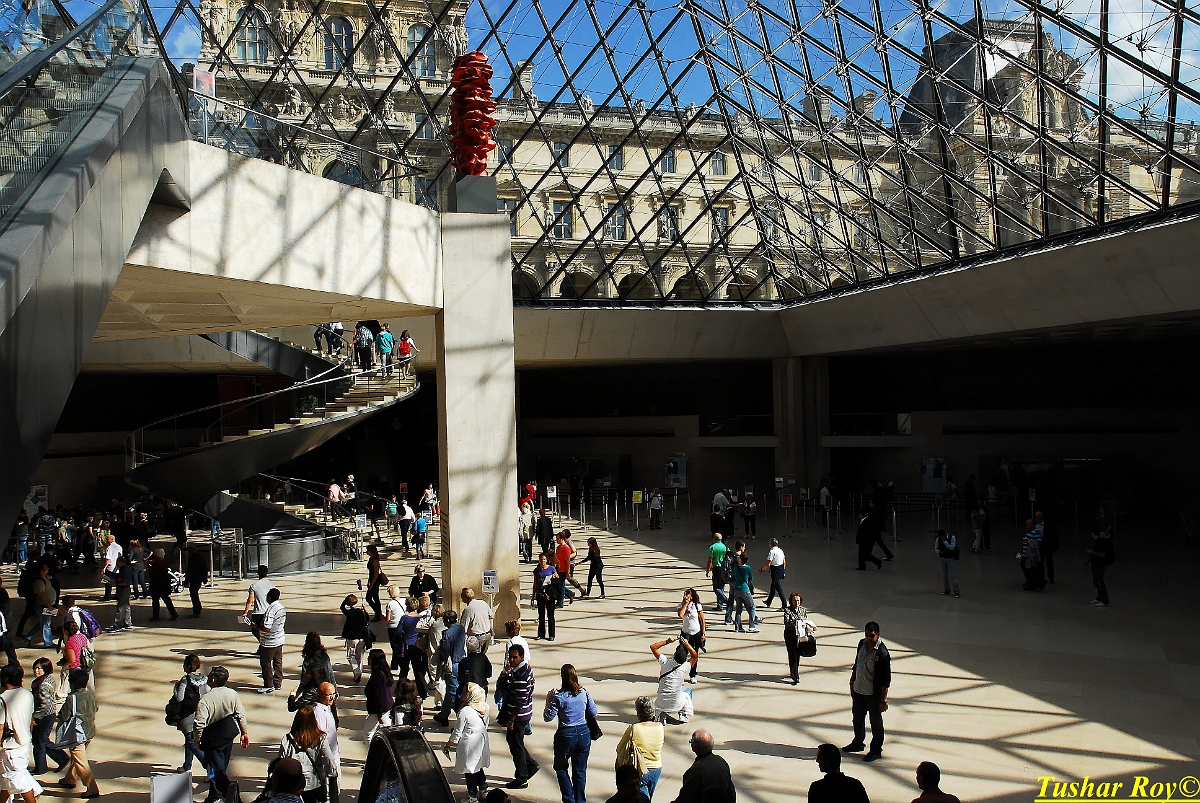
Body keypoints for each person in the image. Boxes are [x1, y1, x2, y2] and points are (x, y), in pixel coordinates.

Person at [193, 665, 250, 803]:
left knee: (216, 771)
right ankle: (214, 796)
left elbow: (199, 724)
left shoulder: (205, 700)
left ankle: (231, 794)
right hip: (228, 735)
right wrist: (244, 732)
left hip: (213, 739)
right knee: (221, 767)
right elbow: (240, 714)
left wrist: (197, 740)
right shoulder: (232, 693)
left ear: (213, 680)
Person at [544, 664, 596, 803]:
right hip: (584, 733)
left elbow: (548, 717)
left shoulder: (559, 697)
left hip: (566, 734)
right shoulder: (584, 692)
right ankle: (580, 800)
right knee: (580, 771)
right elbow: (594, 711)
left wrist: (548, 701)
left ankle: (569, 799)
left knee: (561, 767)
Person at [843, 621, 891, 762]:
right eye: (866, 635)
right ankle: (858, 742)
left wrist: (883, 700)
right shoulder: (861, 644)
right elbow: (857, 663)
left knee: (875, 723)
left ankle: (876, 750)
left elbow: (885, 680)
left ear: (878, 635)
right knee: (857, 718)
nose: (868, 638)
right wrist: (852, 681)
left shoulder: (882, 654)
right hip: (859, 691)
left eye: (872, 635)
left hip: (872, 695)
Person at [277, 706, 338, 803]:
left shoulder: (287, 739)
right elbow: (329, 760)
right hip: (314, 785)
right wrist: (332, 776)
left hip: (292, 787)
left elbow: (280, 763)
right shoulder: (320, 739)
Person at [498, 644, 539, 789]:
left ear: (521, 657)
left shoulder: (521, 675)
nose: (511, 660)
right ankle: (530, 765)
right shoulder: (524, 669)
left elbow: (520, 700)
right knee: (516, 742)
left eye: (515, 657)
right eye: (510, 657)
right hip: (523, 714)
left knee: (516, 746)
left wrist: (511, 719)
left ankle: (522, 777)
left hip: (519, 716)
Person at [444, 683, 492, 801]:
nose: (462, 694)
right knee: (477, 766)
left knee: (469, 770)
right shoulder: (485, 706)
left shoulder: (465, 711)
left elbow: (457, 732)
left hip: (469, 744)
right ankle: (483, 790)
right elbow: (485, 725)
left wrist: (448, 745)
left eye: (465, 692)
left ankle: (473, 797)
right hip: (481, 740)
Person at [0, 664, 41, 803]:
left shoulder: (2, 699)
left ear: (6, 678)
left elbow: (0, 727)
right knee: (7, 780)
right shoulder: (27, 694)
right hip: (25, 742)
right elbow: (30, 719)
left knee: (18, 782)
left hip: (11, 747)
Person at [56, 668, 99, 798]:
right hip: (90, 731)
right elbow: (96, 708)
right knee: (78, 758)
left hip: (77, 735)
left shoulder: (71, 698)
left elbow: (64, 715)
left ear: (72, 683)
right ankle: (70, 778)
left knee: (81, 763)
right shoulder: (91, 695)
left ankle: (92, 788)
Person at [615, 697, 664, 801]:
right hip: (656, 769)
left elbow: (619, 748)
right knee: (647, 798)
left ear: (639, 714)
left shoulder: (634, 728)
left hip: (641, 770)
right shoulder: (660, 726)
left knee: (641, 798)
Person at [671, 730, 735, 803]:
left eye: (691, 741)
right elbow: (731, 791)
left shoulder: (696, 770)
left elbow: (686, 797)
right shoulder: (721, 761)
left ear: (696, 748)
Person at [29, 658, 66, 776]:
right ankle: (61, 758)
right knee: (41, 740)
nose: (36, 671)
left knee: (39, 741)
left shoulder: (42, 686)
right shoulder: (48, 679)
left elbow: (44, 704)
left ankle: (41, 767)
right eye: (35, 668)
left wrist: (36, 717)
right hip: (49, 714)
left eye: (39, 668)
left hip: (44, 716)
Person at [173, 654, 208, 773]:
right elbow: (207, 692)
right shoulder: (204, 678)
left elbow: (180, 698)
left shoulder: (185, 679)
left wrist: (176, 687)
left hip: (188, 716)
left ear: (188, 666)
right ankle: (187, 765)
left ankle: (208, 766)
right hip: (201, 714)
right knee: (190, 741)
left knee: (191, 742)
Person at [650, 637, 695, 724]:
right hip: (676, 704)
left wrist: (667, 641)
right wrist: (687, 645)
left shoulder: (665, 662)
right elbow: (695, 656)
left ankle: (662, 714)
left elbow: (653, 647)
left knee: (665, 698)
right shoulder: (685, 667)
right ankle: (683, 714)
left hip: (661, 703)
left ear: (674, 655)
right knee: (688, 691)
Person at [433, 611, 466, 726]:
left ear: (447, 621)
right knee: (450, 691)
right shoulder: (461, 629)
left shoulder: (447, 634)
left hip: (452, 665)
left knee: (453, 693)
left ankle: (462, 717)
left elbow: (445, 653)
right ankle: (444, 715)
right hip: (461, 662)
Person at [256, 587, 287, 694]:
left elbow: (267, 627)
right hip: (279, 639)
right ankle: (278, 683)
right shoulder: (281, 608)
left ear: (269, 598)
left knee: (266, 663)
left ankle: (268, 684)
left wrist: (256, 626)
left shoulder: (271, 610)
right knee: (278, 662)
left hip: (269, 642)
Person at [395, 598, 428, 698]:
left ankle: (400, 690)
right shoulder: (420, 618)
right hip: (417, 646)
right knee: (418, 670)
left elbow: (397, 632)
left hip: (406, 646)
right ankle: (423, 691)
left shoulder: (404, 618)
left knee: (404, 669)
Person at [781, 593, 814, 685]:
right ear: (791, 601)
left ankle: (795, 670)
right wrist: (798, 622)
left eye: (798, 600)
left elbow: (806, 620)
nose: (797, 602)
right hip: (790, 634)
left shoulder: (803, 610)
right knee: (792, 654)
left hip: (800, 634)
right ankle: (794, 675)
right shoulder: (787, 610)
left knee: (798, 653)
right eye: (795, 600)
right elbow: (787, 621)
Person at [1086, 507, 1115, 607]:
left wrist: (1091, 552)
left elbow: (1102, 554)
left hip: (1100, 564)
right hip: (1096, 563)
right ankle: (1099, 597)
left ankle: (1104, 599)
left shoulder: (1101, 542)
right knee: (1096, 581)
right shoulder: (1097, 541)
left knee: (1099, 581)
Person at [363, 649, 394, 743]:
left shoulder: (377, 675)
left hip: (379, 710)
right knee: (387, 733)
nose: (368, 659)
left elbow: (378, 695)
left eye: (369, 657)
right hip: (386, 707)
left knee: (367, 733)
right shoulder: (383, 672)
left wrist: (379, 714)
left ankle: (375, 751)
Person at [340, 594, 371, 684]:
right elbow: (367, 618)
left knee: (351, 655)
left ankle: (356, 671)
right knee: (360, 656)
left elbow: (342, 607)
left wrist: (346, 601)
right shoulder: (362, 612)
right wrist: (365, 609)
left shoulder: (349, 613)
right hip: (362, 637)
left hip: (352, 637)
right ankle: (359, 672)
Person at [675, 590, 704, 682]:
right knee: (682, 655)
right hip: (685, 633)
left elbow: (702, 620)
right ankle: (680, 675)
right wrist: (685, 605)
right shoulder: (681, 606)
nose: (686, 596)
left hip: (696, 633)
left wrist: (703, 634)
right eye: (685, 595)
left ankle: (693, 674)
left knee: (694, 654)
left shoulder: (697, 606)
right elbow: (680, 615)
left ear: (692, 596)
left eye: (688, 595)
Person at [147, 548, 178, 621]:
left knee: (155, 600)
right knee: (166, 599)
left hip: (157, 583)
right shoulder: (164, 562)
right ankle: (173, 612)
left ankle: (156, 616)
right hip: (165, 582)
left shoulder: (156, 563)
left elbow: (153, 573)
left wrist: (149, 567)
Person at [243, 565, 275, 635]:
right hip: (269, 612)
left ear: (258, 573)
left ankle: (262, 641)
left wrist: (245, 612)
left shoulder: (254, 586)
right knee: (267, 631)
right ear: (267, 573)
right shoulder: (272, 585)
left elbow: (250, 600)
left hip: (258, 613)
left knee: (255, 631)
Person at [730, 553, 758, 633]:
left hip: (736, 589)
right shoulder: (748, 568)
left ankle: (738, 627)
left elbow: (734, 575)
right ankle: (752, 626)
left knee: (738, 609)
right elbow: (751, 578)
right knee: (752, 606)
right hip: (745, 589)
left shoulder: (736, 567)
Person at [460, 588, 494, 653]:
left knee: (474, 658)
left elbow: (463, 628)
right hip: (487, 635)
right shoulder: (483, 602)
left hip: (476, 638)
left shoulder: (468, 609)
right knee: (482, 657)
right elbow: (492, 616)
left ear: (464, 597)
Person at [533, 554, 559, 641]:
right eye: (541, 559)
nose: (542, 561)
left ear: (546, 560)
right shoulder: (537, 570)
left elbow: (557, 578)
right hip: (540, 594)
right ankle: (541, 634)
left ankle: (551, 635)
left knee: (550, 615)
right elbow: (535, 583)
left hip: (549, 594)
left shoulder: (551, 568)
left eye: (544, 559)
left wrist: (552, 581)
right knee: (541, 615)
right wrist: (533, 595)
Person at [1018, 519, 1045, 591]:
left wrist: (1029, 541)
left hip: (1031, 556)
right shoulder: (1028, 533)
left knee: (1030, 570)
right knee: (1025, 567)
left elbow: (1039, 542)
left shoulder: (1035, 532)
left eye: (1028, 524)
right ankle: (1029, 582)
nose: (1027, 525)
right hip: (1026, 555)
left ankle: (1033, 584)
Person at [759, 539, 786, 608]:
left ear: (771, 544)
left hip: (775, 571)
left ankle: (784, 605)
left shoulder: (772, 551)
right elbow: (784, 562)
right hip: (781, 569)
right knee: (773, 587)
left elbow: (768, 563)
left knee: (779, 589)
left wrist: (762, 569)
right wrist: (783, 570)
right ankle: (769, 601)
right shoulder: (780, 550)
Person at [705, 534, 729, 612]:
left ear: (714, 539)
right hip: (724, 568)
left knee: (716, 588)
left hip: (717, 568)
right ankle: (720, 605)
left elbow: (710, 560)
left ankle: (727, 601)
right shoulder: (724, 547)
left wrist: (708, 570)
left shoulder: (712, 547)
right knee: (721, 587)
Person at [934, 530, 960, 598]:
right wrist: (938, 551)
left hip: (950, 558)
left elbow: (952, 547)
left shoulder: (952, 537)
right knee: (944, 575)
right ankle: (947, 589)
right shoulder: (938, 539)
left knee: (953, 575)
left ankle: (956, 591)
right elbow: (936, 548)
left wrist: (945, 542)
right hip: (942, 558)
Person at [185, 550, 209, 618]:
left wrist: (186, 581)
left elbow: (189, 571)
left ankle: (196, 610)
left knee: (193, 595)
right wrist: (204, 579)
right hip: (199, 579)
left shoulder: (192, 559)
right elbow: (204, 569)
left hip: (194, 579)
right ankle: (198, 608)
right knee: (195, 594)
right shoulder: (201, 558)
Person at [1037, 511, 1059, 583]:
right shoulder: (1035, 525)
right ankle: (1042, 577)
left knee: (1049, 562)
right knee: (1040, 563)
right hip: (1039, 546)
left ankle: (1051, 577)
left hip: (1047, 546)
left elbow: (1053, 535)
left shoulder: (1048, 525)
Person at [365, 547, 386, 621]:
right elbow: (371, 573)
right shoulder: (371, 559)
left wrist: (372, 584)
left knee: (368, 598)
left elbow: (376, 573)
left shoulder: (375, 561)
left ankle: (378, 613)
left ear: (371, 551)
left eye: (368, 550)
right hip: (372, 579)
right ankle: (378, 614)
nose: (366, 552)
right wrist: (369, 582)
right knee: (375, 597)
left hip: (375, 581)